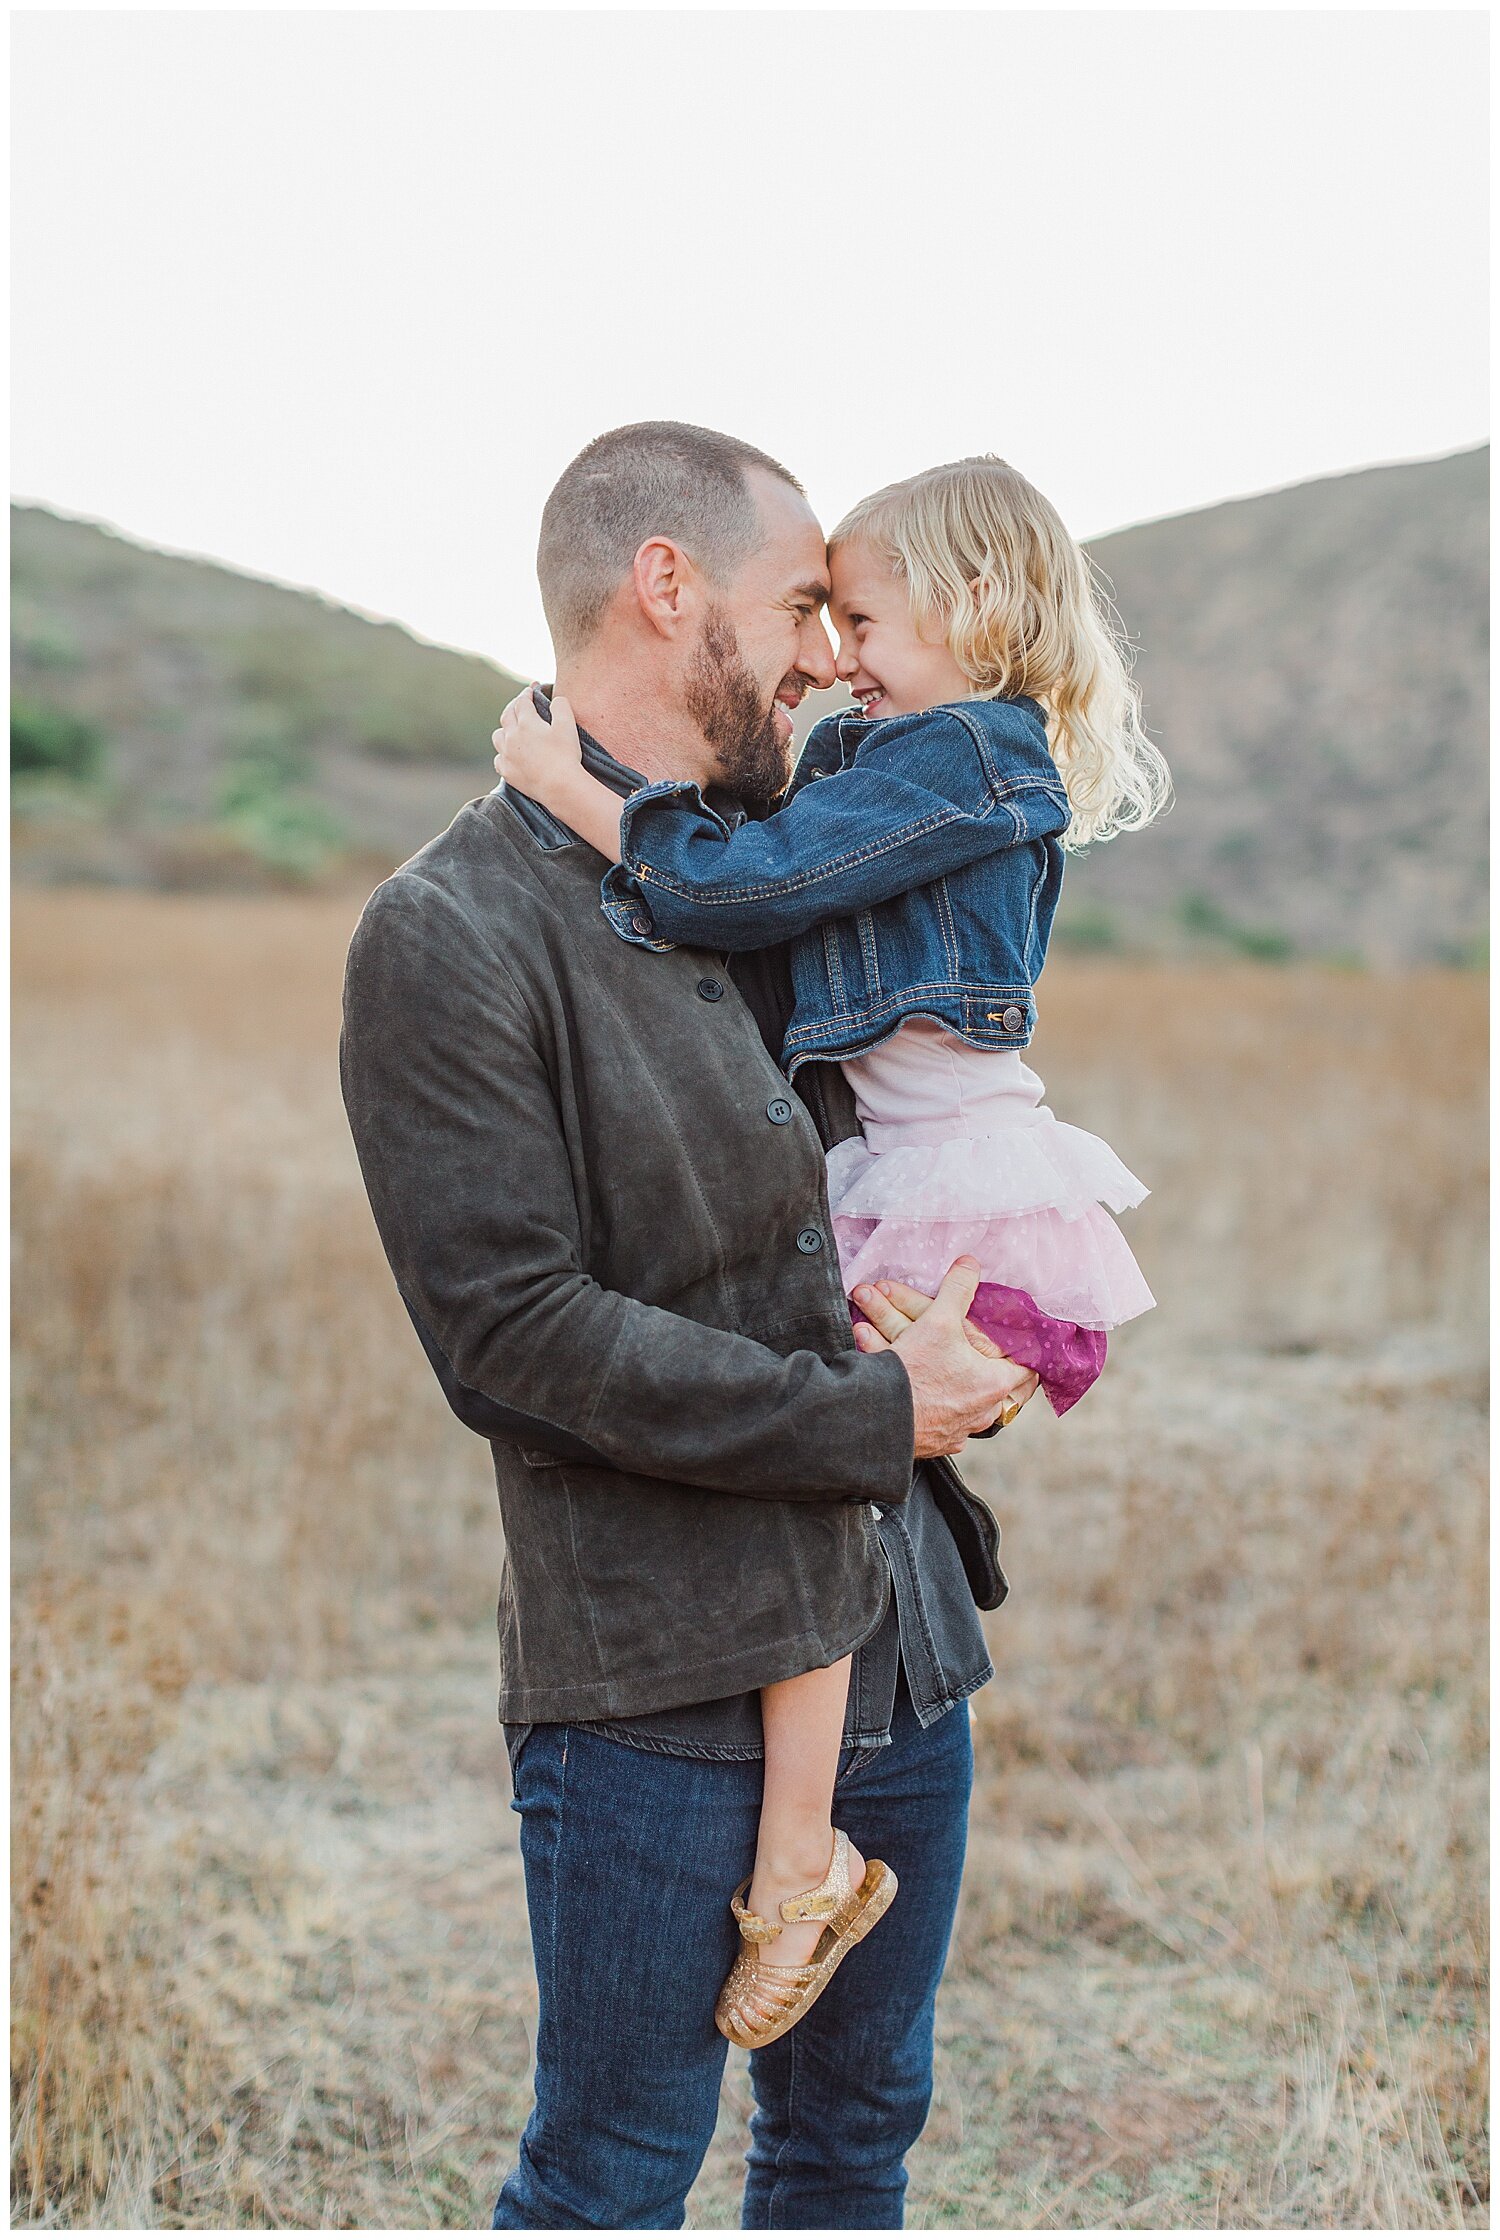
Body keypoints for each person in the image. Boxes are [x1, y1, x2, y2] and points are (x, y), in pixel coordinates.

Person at [341, 421, 1037, 2232]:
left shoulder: (794, 862)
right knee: (612, 2184)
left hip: (899, 1640)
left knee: (847, 2157)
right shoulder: (450, 927)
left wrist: (969, 1327)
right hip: (661, 1692)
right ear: (667, 590)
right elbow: (515, 1340)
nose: (824, 650)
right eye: (798, 603)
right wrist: (875, 1416)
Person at [493, 453, 1169, 2053]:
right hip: (908, 1163)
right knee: (839, 1448)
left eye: (857, 618)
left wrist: (566, 790)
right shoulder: (899, 747)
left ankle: (798, 1862)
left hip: (955, 1171)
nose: (836, 652)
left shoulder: (978, 758)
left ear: (979, 606)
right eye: (823, 615)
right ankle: (803, 1858)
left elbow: (758, 884)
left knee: (841, 1449)